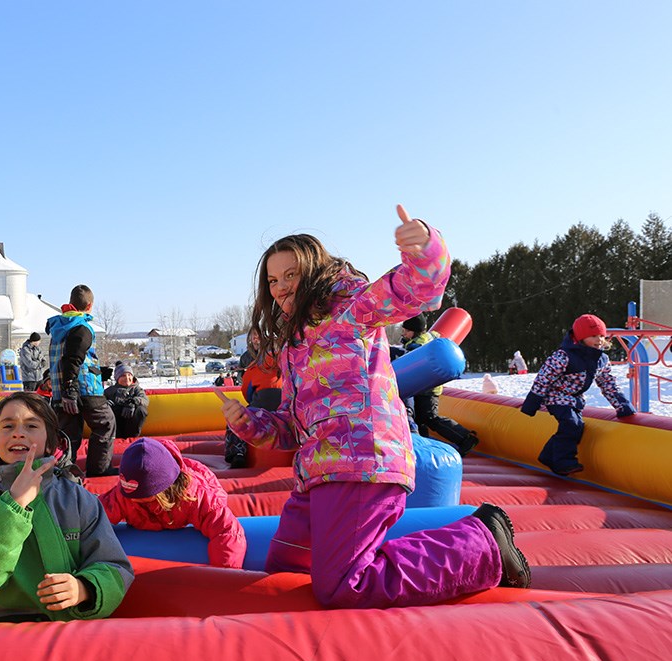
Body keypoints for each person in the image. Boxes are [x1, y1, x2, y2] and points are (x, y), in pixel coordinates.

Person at [213, 205, 531, 610]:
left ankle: (481, 544)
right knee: (284, 570)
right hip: (317, 473)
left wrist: (425, 249)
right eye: (273, 280)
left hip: (362, 461)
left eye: (290, 275)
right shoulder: (294, 346)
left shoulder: (349, 305)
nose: (280, 288)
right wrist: (249, 422)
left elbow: (415, 289)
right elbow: (293, 426)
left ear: (313, 271)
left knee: (343, 584)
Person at [0, 392, 133, 622]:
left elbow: (113, 565)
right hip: (3, 622)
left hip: (72, 622)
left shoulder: (77, 499)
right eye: (8, 426)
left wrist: (84, 588)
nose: (18, 433)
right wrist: (14, 504)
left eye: (31, 426)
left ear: (51, 441)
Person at [99, 437, 247, 569]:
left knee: (216, 508)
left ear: (161, 491)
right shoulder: (124, 496)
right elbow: (95, 516)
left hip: (194, 488)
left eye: (142, 497)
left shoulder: (193, 497)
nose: (132, 499)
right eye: (128, 493)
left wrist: (223, 576)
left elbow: (228, 532)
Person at [520, 314, 634, 476]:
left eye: (602, 336)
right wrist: (532, 402)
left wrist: (622, 405)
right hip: (556, 395)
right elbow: (544, 377)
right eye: (593, 336)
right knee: (571, 423)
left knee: (577, 426)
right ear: (580, 337)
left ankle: (548, 455)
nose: (599, 340)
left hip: (575, 399)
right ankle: (563, 462)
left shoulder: (601, 359)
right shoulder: (564, 356)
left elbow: (608, 383)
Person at [45, 285, 116, 477]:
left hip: (60, 392)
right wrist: (71, 388)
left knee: (69, 435)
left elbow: (68, 358)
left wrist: (97, 372)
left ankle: (65, 474)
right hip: (84, 391)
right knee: (105, 424)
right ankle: (99, 471)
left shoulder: (58, 327)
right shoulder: (81, 328)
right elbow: (73, 359)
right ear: (90, 306)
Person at [400, 314, 479, 457]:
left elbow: (415, 355)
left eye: (406, 331)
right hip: (422, 387)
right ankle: (422, 449)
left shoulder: (419, 343)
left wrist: (406, 349)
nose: (403, 333)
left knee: (430, 418)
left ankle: (465, 438)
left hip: (427, 389)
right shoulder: (423, 338)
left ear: (415, 331)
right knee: (420, 419)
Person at [224, 331, 282, 468]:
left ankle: (237, 453)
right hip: (284, 408)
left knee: (237, 419)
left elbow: (246, 393)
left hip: (262, 407)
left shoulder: (253, 369)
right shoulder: (283, 365)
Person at [104, 363, 149, 438]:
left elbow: (144, 399)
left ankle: (132, 437)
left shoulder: (136, 389)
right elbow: (100, 401)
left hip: (131, 423)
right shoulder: (110, 391)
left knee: (141, 410)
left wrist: (132, 402)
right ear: (117, 378)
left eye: (129, 375)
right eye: (123, 375)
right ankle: (114, 437)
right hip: (115, 424)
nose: (127, 378)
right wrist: (105, 403)